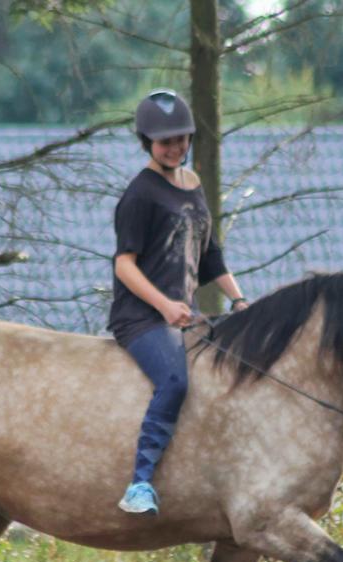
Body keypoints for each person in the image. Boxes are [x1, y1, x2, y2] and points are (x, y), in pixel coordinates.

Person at [109, 88, 248, 516]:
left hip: (181, 317)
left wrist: (240, 301)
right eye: (165, 141)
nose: (175, 148)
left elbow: (210, 256)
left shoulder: (193, 185)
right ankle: (140, 483)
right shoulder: (140, 194)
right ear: (147, 143)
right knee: (176, 381)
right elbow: (124, 266)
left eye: (182, 139)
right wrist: (166, 306)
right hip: (142, 318)